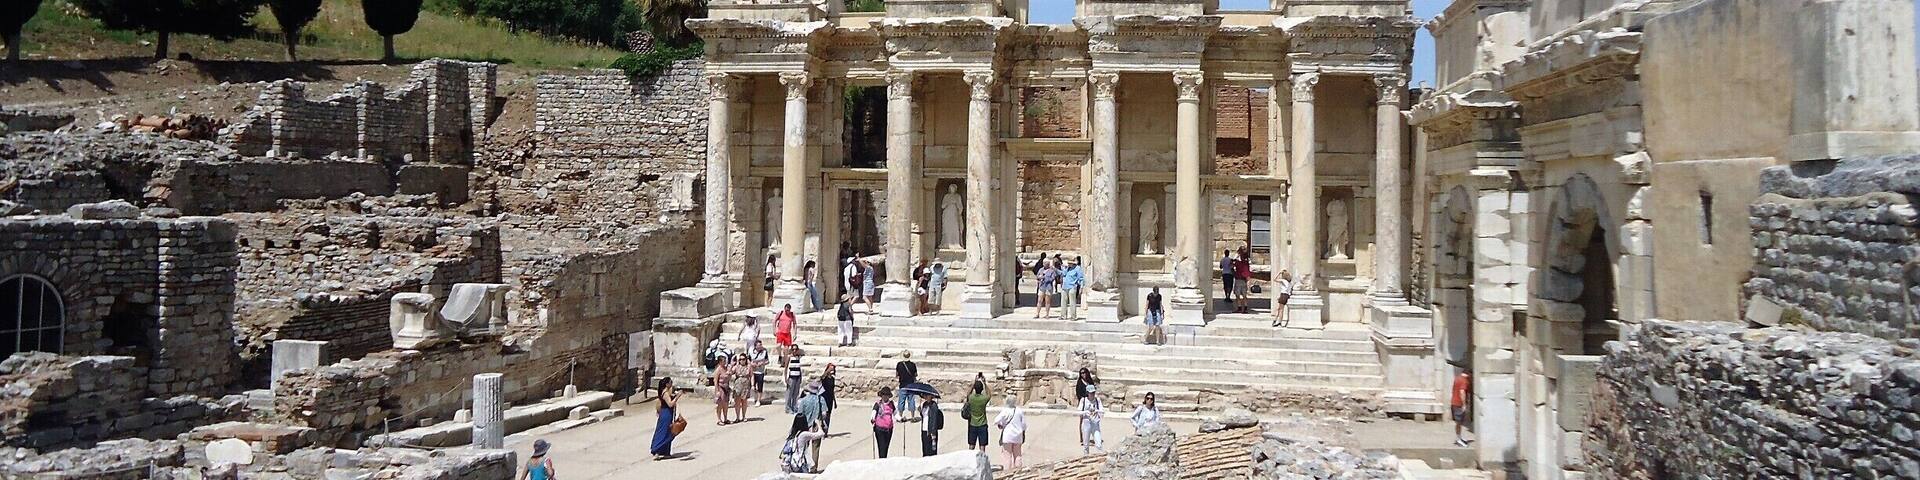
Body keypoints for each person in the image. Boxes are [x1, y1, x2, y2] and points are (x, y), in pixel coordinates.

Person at [993, 393, 1027, 470]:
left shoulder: (1005, 411)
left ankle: (1007, 472)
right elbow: (1024, 425)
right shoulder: (1019, 411)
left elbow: (996, 421)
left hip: (1008, 436)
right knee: (1017, 455)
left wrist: (1001, 424)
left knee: (1007, 456)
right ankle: (1018, 471)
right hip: (1018, 436)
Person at [650, 378, 680, 460]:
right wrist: (677, 397)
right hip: (666, 413)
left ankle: (666, 452)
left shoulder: (667, 392)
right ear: (667, 384)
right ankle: (656, 450)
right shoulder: (665, 393)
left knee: (668, 431)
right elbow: (670, 404)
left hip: (668, 413)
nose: (671, 384)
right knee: (663, 431)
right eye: (670, 382)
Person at [963, 376, 991, 452]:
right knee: (982, 447)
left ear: (975, 389)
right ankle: (981, 462)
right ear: (982, 389)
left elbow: (968, 394)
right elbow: (989, 394)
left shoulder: (971, 398)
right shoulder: (983, 399)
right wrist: (985, 383)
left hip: (973, 424)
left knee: (971, 446)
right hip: (982, 424)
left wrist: (974, 383)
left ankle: (970, 461)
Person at [1079, 384, 1106, 454]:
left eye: (1093, 393)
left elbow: (1102, 411)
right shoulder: (1083, 400)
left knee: (1098, 443)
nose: (1092, 394)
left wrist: (1098, 411)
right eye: (1091, 393)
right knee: (1086, 445)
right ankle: (1086, 458)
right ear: (1087, 393)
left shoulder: (1097, 400)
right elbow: (1078, 412)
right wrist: (1085, 412)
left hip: (1095, 424)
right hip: (1086, 424)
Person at [873, 387, 898, 458]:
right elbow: (874, 412)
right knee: (881, 446)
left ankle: (884, 459)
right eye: (883, 395)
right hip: (879, 429)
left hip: (889, 429)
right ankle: (882, 459)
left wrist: (900, 419)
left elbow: (895, 413)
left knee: (886, 446)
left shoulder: (891, 404)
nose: (885, 396)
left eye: (886, 395)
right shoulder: (878, 404)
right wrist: (872, 418)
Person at [896, 352, 920, 422]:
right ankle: (912, 417)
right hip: (911, 386)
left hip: (902, 385)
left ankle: (900, 416)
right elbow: (915, 374)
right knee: (911, 401)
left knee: (901, 401)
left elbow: (897, 374)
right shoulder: (913, 365)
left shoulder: (899, 364)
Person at [713, 351, 734, 425]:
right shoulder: (718, 370)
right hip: (720, 387)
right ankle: (719, 419)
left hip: (726, 387)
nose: (725, 362)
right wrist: (717, 390)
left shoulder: (726, 368)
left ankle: (725, 418)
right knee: (720, 404)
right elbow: (715, 380)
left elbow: (729, 376)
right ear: (720, 362)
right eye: (723, 361)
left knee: (726, 404)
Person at [730, 353, 753, 422]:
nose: (741, 361)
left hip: (745, 384)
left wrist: (753, 384)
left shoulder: (749, 367)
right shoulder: (736, 366)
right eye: (740, 359)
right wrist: (732, 364)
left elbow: (752, 375)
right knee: (737, 401)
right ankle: (737, 417)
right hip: (738, 384)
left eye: (743, 359)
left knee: (744, 401)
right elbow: (731, 372)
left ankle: (744, 416)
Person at [920, 392, 944, 457]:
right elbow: (923, 416)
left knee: (931, 450)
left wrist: (933, 432)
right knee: (925, 448)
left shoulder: (934, 405)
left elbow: (934, 419)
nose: (925, 397)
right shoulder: (924, 404)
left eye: (927, 395)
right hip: (924, 429)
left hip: (931, 430)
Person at [1453, 371, 1472, 446]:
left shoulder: (1457, 378)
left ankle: (1459, 437)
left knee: (1459, 422)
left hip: (1454, 402)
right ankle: (1458, 439)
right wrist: (1464, 404)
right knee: (1459, 422)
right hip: (1459, 404)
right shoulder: (1464, 381)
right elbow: (1462, 392)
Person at [785, 345, 805, 414]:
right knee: (789, 393)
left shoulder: (798, 357)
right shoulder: (789, 358)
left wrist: (800, 377)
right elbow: (786, 368)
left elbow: (803, 352)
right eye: (793, 349)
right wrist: (785, 378)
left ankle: (794, 406)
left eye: (796, 349)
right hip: (791, 377)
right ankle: (788, 408)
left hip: (797, 377)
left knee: (796, 393)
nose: (794, 351)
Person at [821, 364, 840, 434]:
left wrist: (835, 401)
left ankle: (826, 431)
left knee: (828, 415)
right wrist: (827, 371)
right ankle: (822, 430)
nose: (832, 371)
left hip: (830, 398)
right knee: (824, 414)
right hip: (824, 397)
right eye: (831, 369)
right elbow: (821, 377)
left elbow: (832, 390)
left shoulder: (832, 379)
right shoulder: (824, 378)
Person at [1234, 247, 1253, 314]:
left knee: (1237, 295)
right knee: (1244, 295)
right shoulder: (1247, 262)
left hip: (1239, 279)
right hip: (1244, 280)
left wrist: (1237, 255)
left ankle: (1239, 307)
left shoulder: (1238, 262)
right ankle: (1245, 308)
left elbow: (1233, 263)